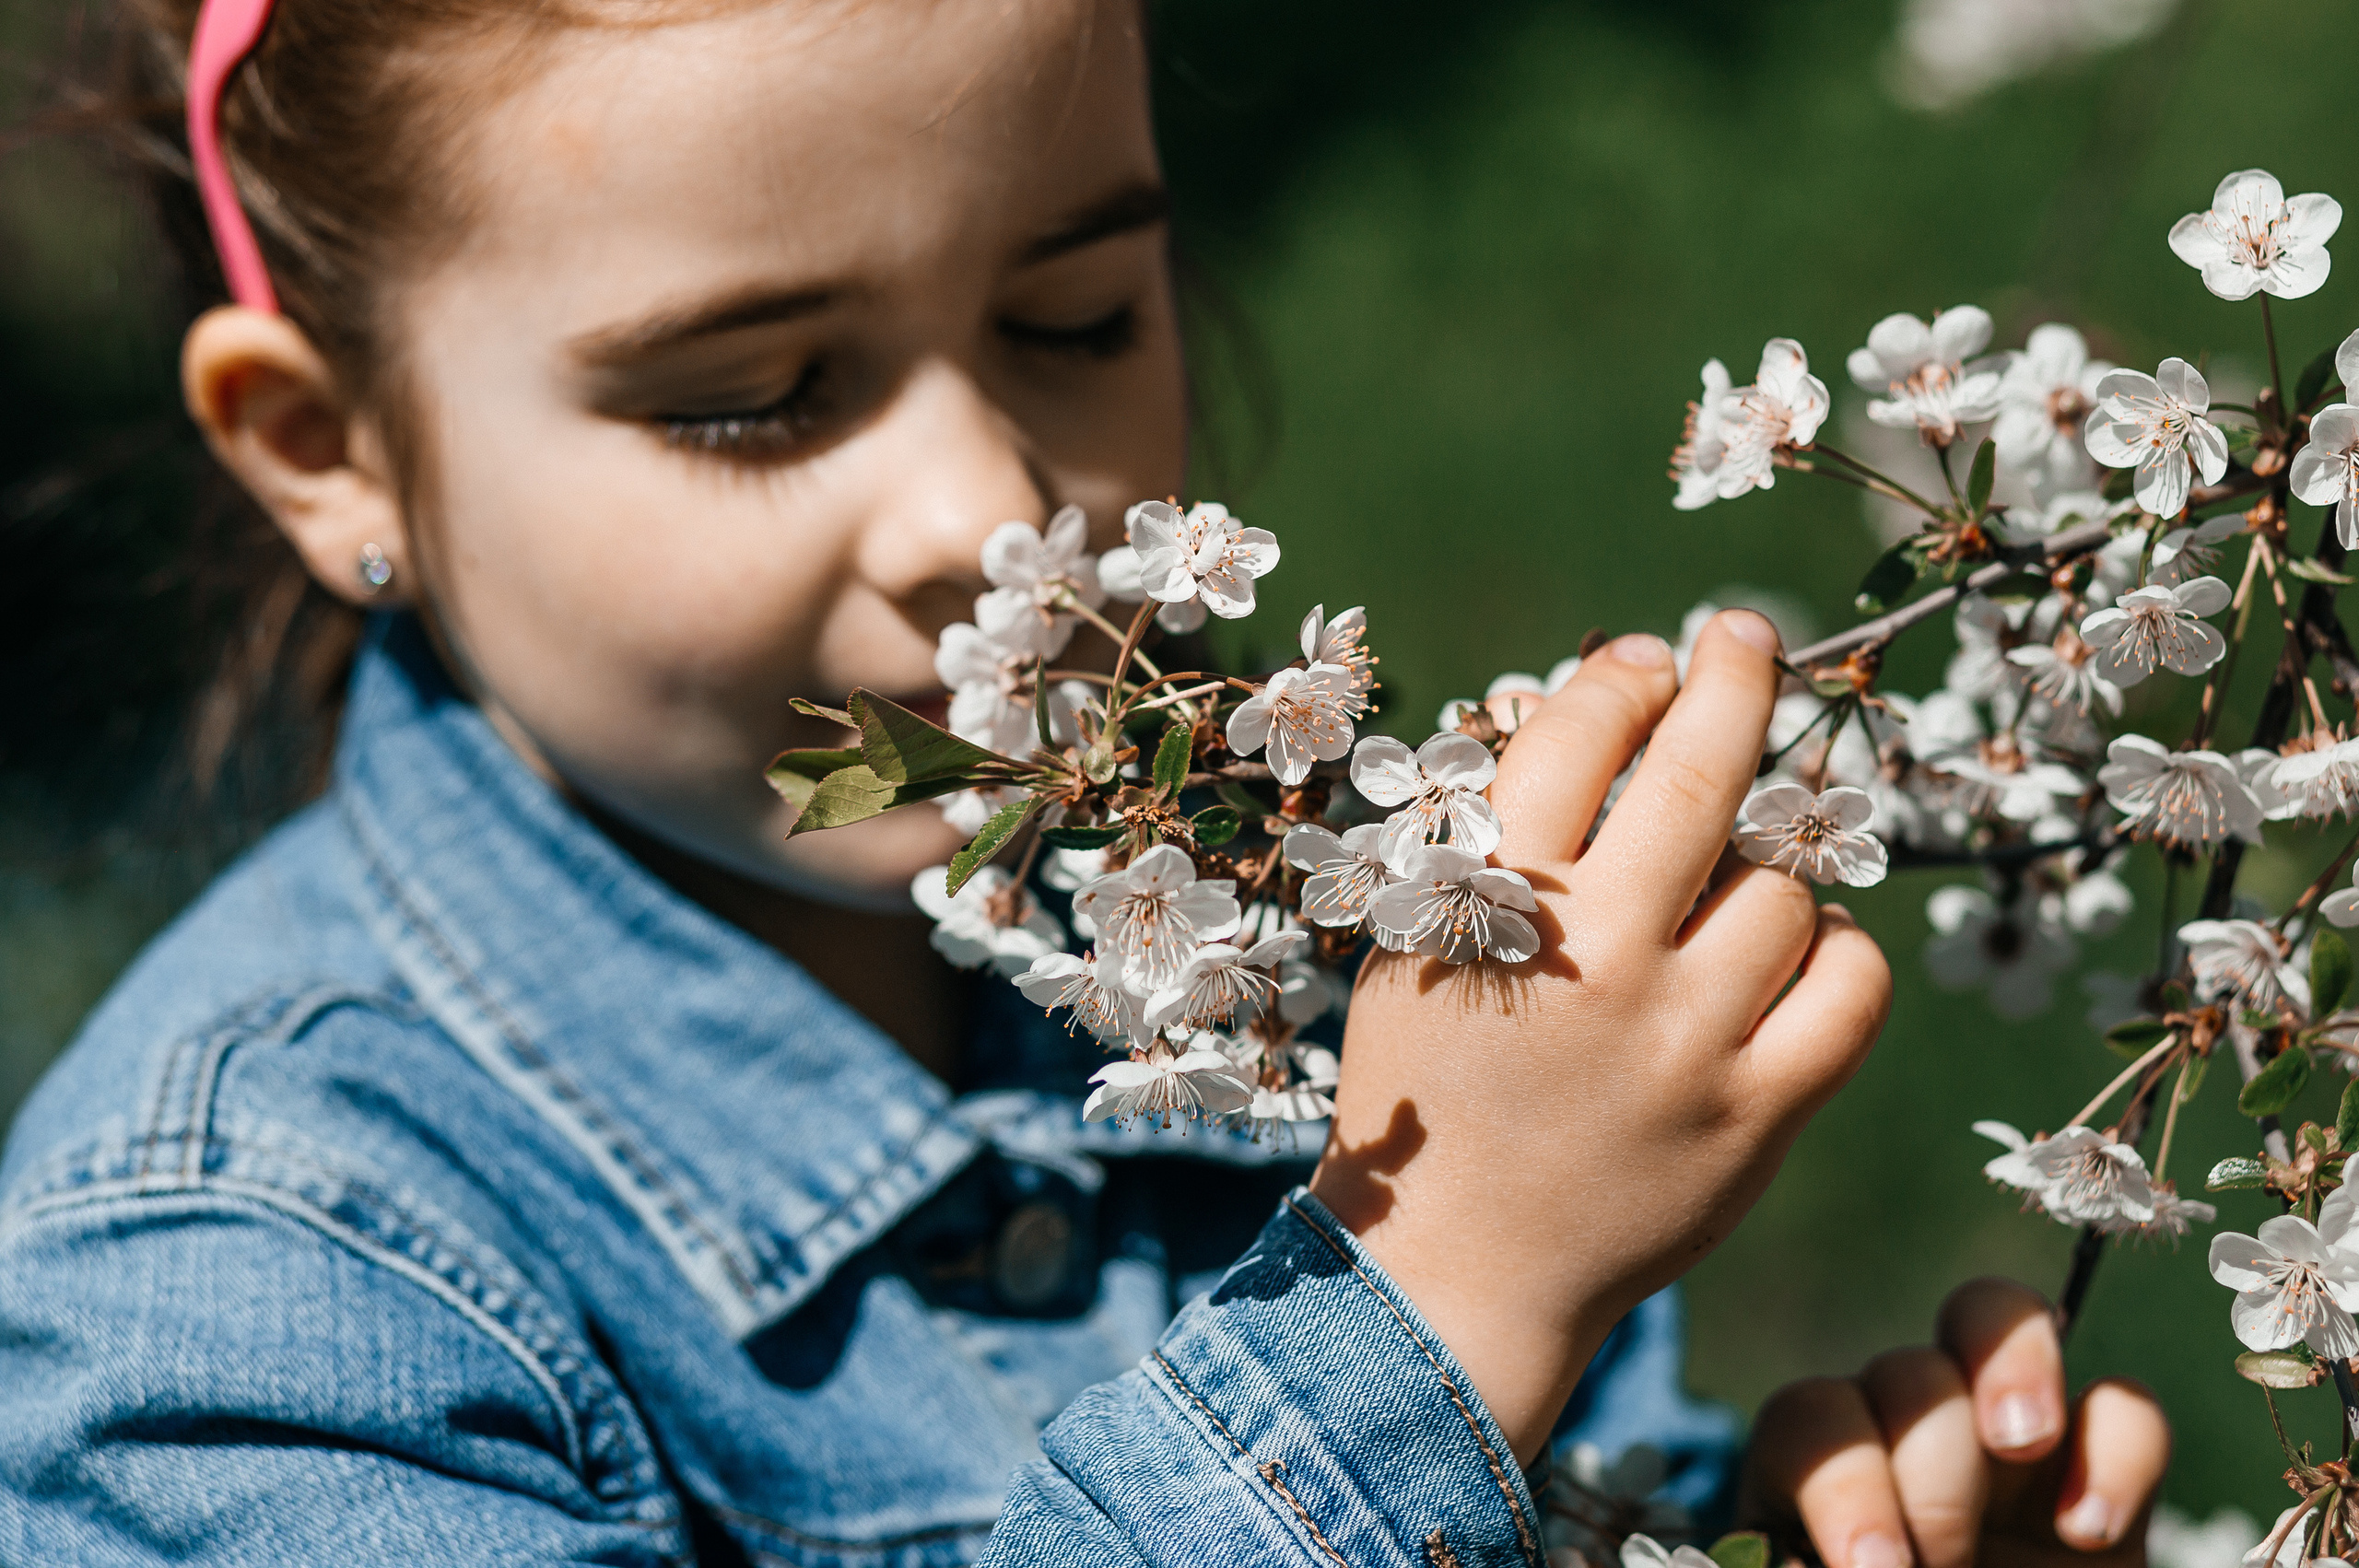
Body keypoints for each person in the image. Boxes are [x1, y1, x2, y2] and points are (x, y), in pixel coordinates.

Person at [0, 1, 2169, 1563]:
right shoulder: (239, 1279)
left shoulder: (1300, 982)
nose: (981, 501)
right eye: (754, 395)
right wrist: (1437, 1299)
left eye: (1070, 312)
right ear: (326, 443)